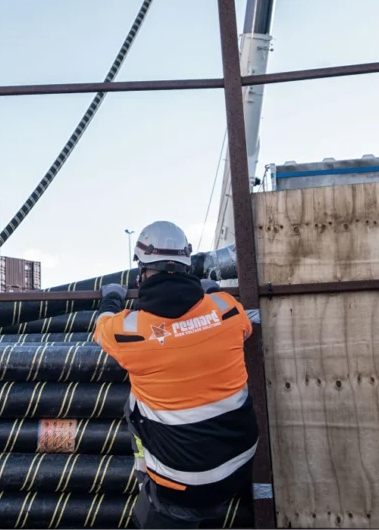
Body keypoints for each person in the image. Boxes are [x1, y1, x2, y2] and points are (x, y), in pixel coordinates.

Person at [93, 221, 258, 530]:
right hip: (241, 463)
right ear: (186, 264)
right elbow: (244, 330)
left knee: (134, 404)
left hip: (180, 485)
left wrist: (111, 299)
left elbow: (101, 328)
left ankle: (147, 476)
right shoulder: (226, 308)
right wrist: (207, 303)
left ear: (141, 271)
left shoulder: (128, 332)